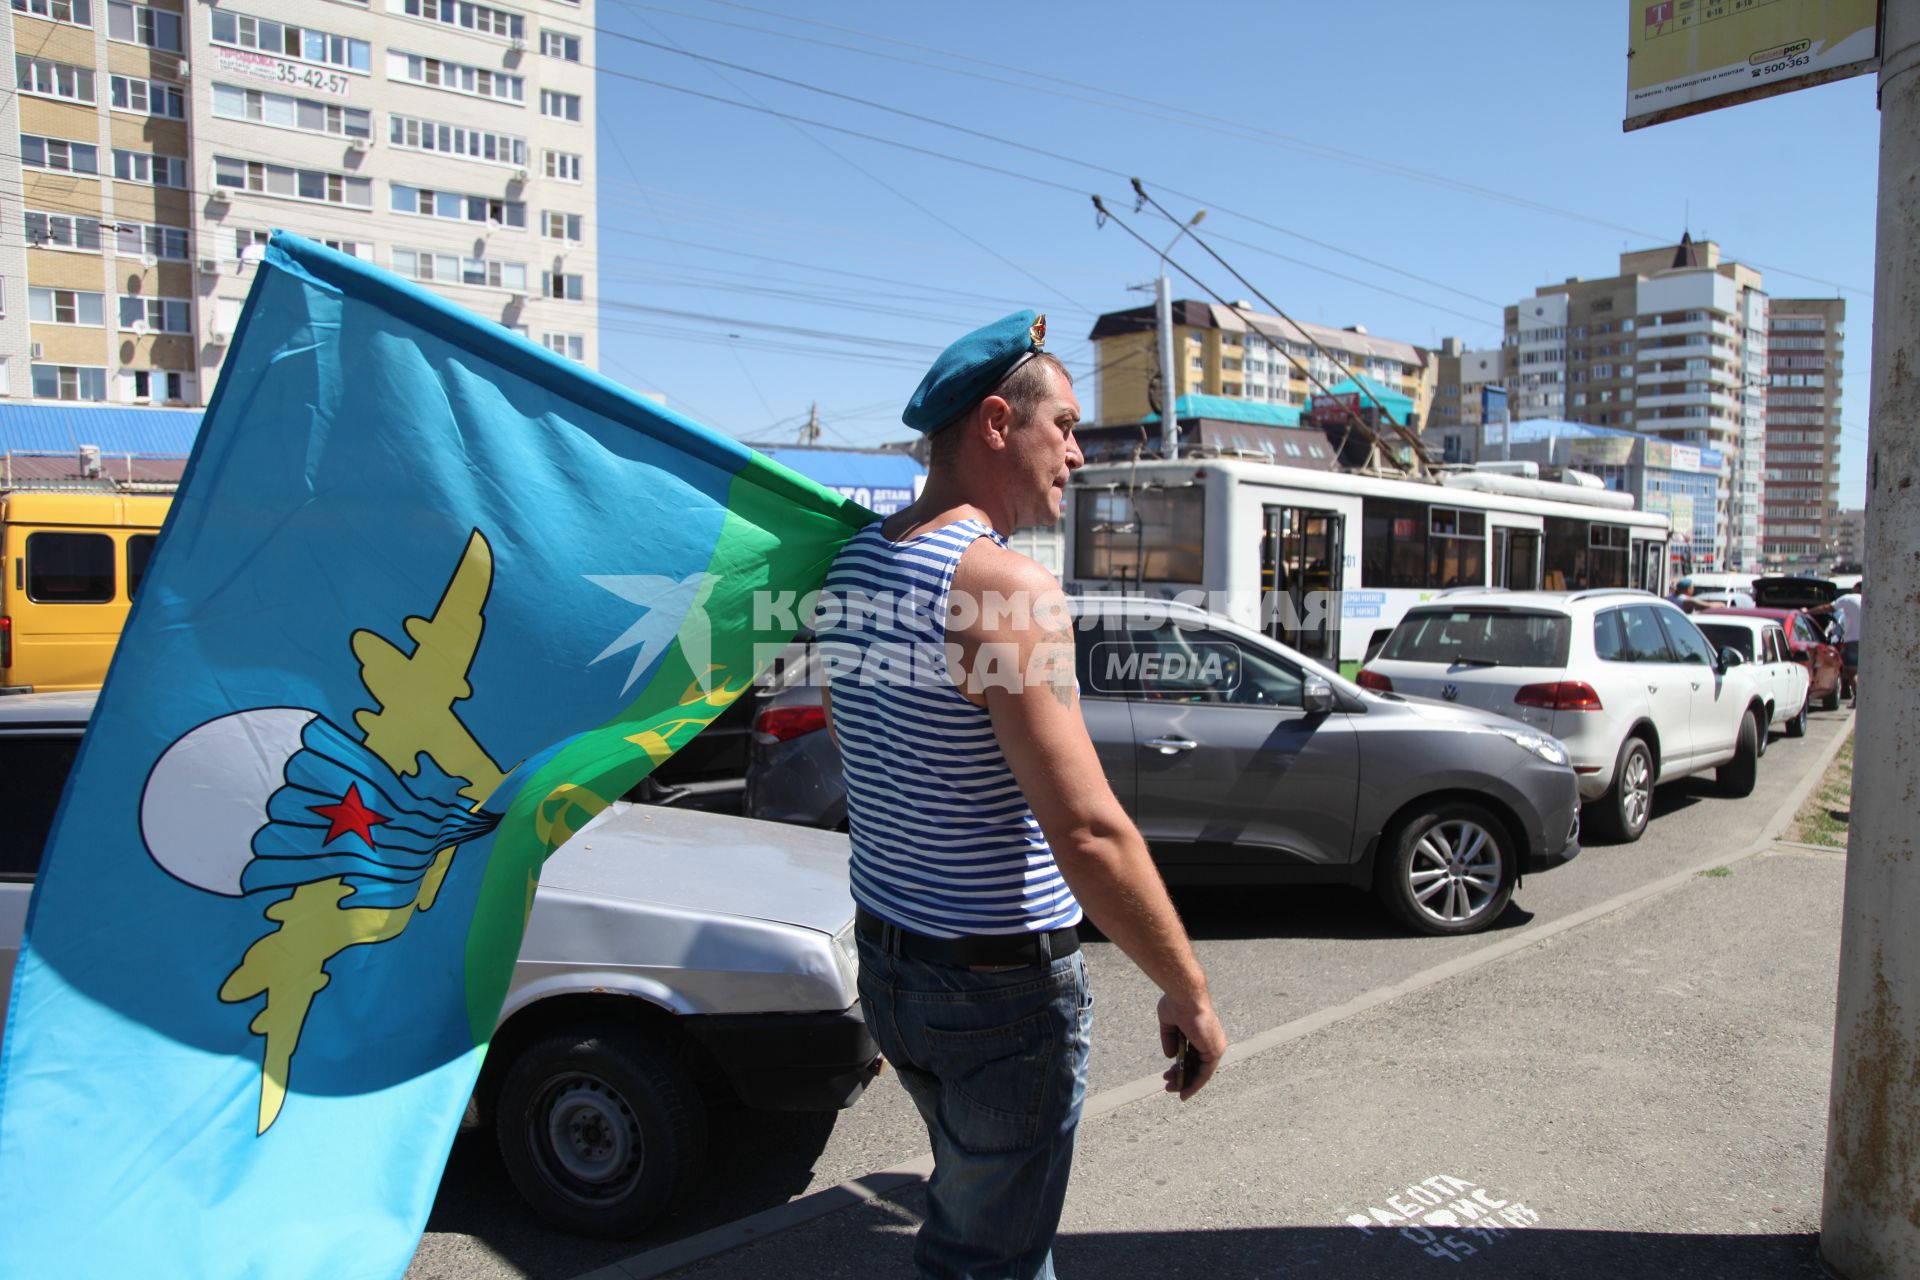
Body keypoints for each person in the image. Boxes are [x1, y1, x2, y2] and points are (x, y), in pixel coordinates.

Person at [815, 311, 1227, 1280]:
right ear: (998, 422)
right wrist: (1188, 987)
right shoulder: (1005, 586)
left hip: (891, 959)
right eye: (1067, 426)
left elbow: (849, 729)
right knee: (989, 1257)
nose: (1078, 454)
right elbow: (1086, 829)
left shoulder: (854, 563)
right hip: (997, 990)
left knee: (972, 1201)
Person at [1832, 580, 1864, 705]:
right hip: (1867, 641)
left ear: (1857, 589)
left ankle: (1858, 697)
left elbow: (1829, 607)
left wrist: (1808, 611)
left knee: (1851, 671)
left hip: (1853, 640)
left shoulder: (1849, 598)